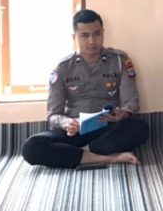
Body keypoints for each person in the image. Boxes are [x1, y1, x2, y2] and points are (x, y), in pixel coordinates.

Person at [22, 10, 149, 168]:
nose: (92, 41)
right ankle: (108, 158)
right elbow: (53, 115)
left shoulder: (119, 60)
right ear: (74, 37)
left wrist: (121, 114)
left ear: (103, 33)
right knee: (31, 147)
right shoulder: (63, 67)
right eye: (84, 35)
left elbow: (131, 103)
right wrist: (66, 122)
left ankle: (78, 154)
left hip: (108, 129)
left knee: (139, 127)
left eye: (97, 34)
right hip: (75, 131)